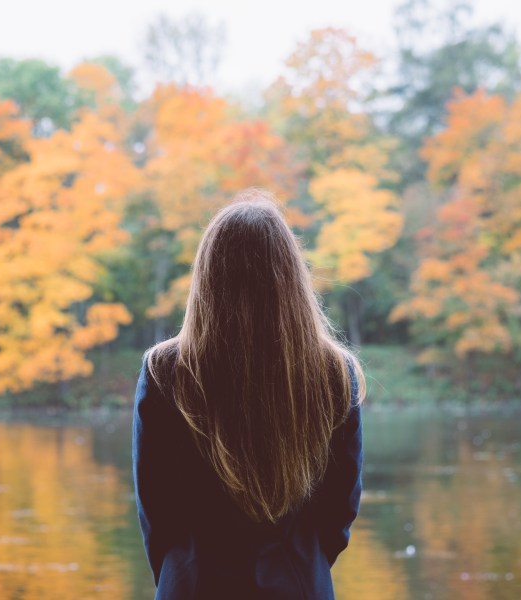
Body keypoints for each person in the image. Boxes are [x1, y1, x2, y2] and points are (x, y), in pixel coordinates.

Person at [132, 190, 365, 599]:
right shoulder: (333, 373)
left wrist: (179, 573)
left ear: (207, 274)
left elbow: (156, 510)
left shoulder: (165, 372)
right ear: (291, 276)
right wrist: (301, 566)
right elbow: (338, 512)